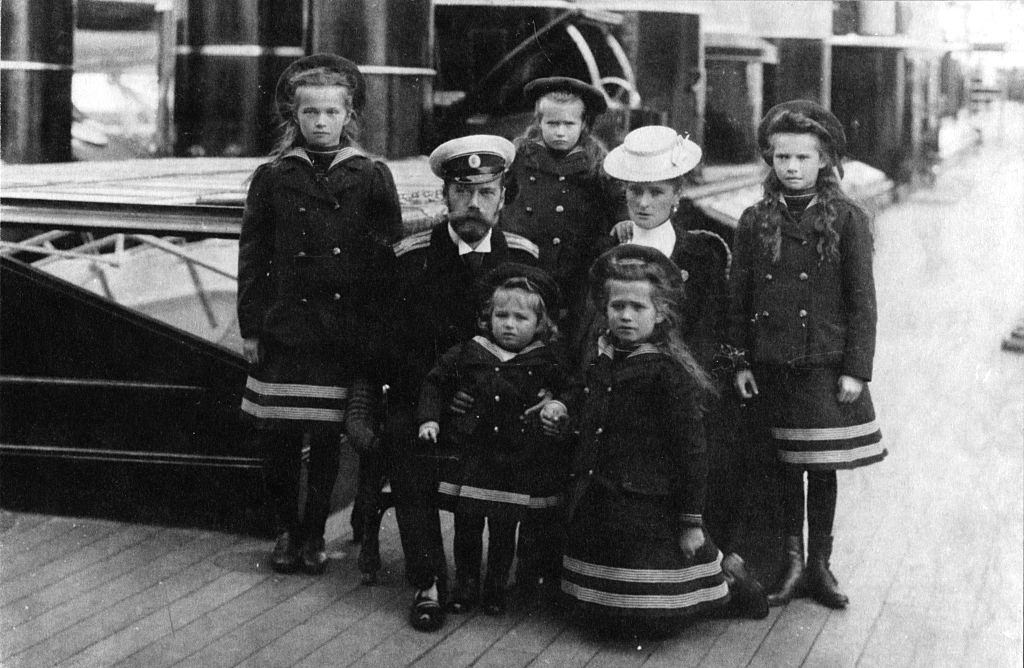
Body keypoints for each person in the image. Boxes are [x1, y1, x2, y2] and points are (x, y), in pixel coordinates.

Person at [347, 134, 539, 632]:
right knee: (407, 445)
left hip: (499, 401)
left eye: (487, 193)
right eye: (461, 191)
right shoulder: (410, 257)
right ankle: (428, 580)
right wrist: (439, 393)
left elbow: (539, 343)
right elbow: (386, 345)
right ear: (444, 195)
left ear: (503, 196)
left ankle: (510, 578)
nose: (473, 205)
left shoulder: (522, 259)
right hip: (425, 398)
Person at [237, 54, 402, 575]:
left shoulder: (372, 175)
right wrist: (250, 327)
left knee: (328, 438)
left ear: (348, 114)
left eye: (331, 112)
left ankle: (314, 533)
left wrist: (374, 330)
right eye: (311, 113)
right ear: (295, 117)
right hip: (286, 329)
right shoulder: (272, 176)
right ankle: (287, 529)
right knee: (280, 436)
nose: (321, 122)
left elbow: (387, 255)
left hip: (341, 332)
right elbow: (253, 255)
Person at [727, 99, 886, 609]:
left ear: (824, 161)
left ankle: (820, 564)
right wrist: (740, 361)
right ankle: (790, 561)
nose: (790, 168)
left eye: (802, 158)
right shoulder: (754, 220)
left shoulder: (847, 219)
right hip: (772, 365)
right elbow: (740, 296)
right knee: (782, 467)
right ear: (770, 161)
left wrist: (855, 370)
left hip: (822, 365)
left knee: (821, 466)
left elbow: (862, 300)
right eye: (780, 158)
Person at [559, 244, 732, 637]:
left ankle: (735, 583)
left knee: (653, 614)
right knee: (597, 609)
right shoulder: (602, 359)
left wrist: (691, 521)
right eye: (617, 306)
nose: (625, 315)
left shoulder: (668, 373)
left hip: (651, 504)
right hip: (604, 499)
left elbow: (692, 452)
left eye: (638, 308)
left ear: (661, 313)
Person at [417, 264, 570, 616]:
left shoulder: (544, 359)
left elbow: (572, 388)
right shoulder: (472, 351)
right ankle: (466, 585)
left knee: (504, 527)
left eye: (520, 318)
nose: (509, 324)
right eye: (501, 315)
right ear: (488, 318)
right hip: (475, 454)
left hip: (517, 457)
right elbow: (435, 381)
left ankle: (496, 588)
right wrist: (430, 419)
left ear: (539, 324)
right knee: (468, 523)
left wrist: (557, 403)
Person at [502, 77, 625, 342]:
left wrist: (622, 220)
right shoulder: (520, 155)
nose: (560, 132)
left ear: (584, 125)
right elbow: (500, 189)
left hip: (574, 265)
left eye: (569, 124)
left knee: (570, 331)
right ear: (539, 123)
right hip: (524, 261)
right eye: (552, 124)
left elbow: (619, 198)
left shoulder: (596, 162)